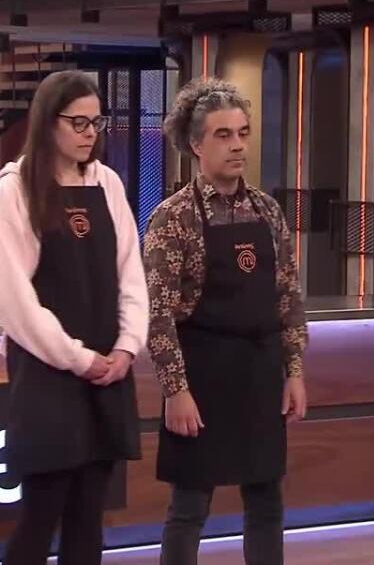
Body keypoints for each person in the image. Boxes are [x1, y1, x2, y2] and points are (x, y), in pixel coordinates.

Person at [0, 70, 148, 565]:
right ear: (47, 122)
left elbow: (131, 273)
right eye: (78, 122)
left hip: (108, 371)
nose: (89, 133)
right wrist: (78, 358)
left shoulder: (108, 183)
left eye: (96, 123)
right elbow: (13, 298)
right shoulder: (15, 187)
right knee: (41, 515)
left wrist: (127, 347)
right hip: (47, 373)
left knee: (88, 517)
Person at [144, 78, 308, 565]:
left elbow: (287, 297)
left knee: (266, 503)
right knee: (189, 507)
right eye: (223, 135)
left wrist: (294, 371)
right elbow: (158, 315)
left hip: (260, 372)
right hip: (203, 376)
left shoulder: (268, 210)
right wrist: (175, 391)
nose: (237, 145)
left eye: (243, 133)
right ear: (196, 144)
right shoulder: (173, 217)